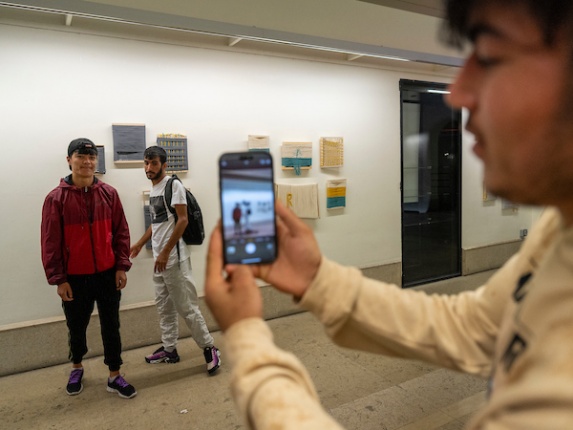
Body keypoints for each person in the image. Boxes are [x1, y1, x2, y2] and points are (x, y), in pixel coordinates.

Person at [204, 1, 573, 429]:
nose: (457, 94)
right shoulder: (560, 228)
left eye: (491, 55)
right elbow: (473, 327)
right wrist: (316, 280)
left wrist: (248, 339)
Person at [41, 138, 137, 399]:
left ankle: (114, 375)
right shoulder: (55, 199)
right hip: (74, 278)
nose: (87, 162)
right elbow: (50, 242)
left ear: (96, 161)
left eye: (91, 157)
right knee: (76, 326)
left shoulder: (109, 194)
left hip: (107, 274)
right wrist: (59, 279)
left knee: (111, 325)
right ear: (69, 160)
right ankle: (76, 367)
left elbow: (121, 233)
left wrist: (121, 266)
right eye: (80, 157)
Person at [130, 146, 221, 375]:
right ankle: (169, 350)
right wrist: (141, 243)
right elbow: (157, 223)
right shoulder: (154, 189)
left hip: (173, 259)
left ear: (164, 165)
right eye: (146, 163)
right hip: (160, 260)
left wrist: (165, 252)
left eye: (153, 163)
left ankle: (210, 348)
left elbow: (182, 220)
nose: (148, 168)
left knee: (187, 307)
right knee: (164, 307)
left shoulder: (174, 186)